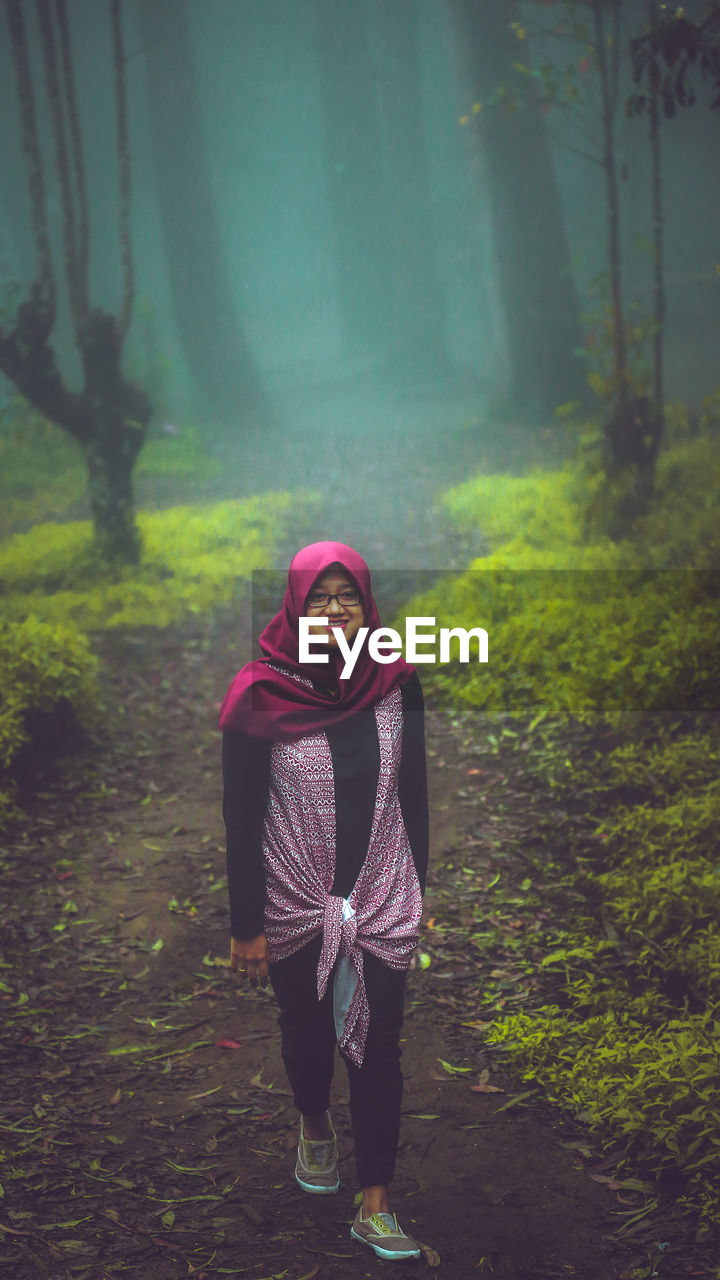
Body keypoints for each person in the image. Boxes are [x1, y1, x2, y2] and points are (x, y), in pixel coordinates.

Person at [220, 541, 429, 1262]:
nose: (335, 610)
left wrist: (417, 889)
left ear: (367, 604)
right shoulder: (258, 693)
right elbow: (241, 817)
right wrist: (246, 925)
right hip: (293, 893)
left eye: (349, 597)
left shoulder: (397, 680)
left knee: (381, 1051)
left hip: (380, 891)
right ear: (295, 606)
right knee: (307, 1036)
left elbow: (414, 795)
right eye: (320, 597)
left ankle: (375, 1207)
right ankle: (313, 1121)